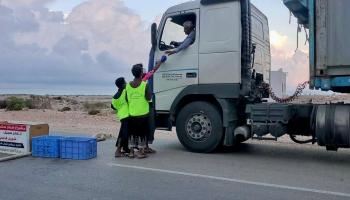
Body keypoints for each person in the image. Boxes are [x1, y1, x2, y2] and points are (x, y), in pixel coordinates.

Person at [126, 64, 152, 159]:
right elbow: (149, 98)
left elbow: (126, 98)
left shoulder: (128, 85)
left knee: (132, 133)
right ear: (141, 73)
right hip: (143, 114)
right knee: (142, 133)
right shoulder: (145, 85)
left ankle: (131, 152)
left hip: (132, 113)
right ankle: (141, 152)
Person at [111, 77, 130, 157]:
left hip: (121, 116)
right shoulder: (125, 92)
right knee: (123, 134)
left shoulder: (114, 97)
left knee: (124, 132)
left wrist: (120, 107)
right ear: (122, 85)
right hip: (127, 115)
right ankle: (118, 151)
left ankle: (125, 148)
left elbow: (113, 106)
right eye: (125, 82)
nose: (126, 83)